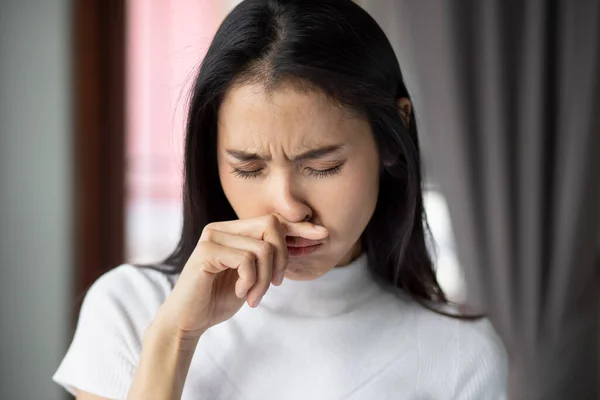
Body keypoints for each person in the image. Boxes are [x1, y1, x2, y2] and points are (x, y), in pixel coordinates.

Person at [53, 0, 507, 398]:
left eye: (322, 165)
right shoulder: (133, 308)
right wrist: (174, 337)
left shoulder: (461, 354)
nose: (287, 207)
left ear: (392, 139)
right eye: (248, 168)